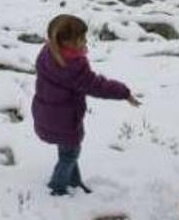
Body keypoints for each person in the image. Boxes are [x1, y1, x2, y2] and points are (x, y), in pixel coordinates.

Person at [32, 14, 141, 196]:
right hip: (65, 119)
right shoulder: (73, 66)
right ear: (67, 42)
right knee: (69, 154)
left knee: (67, 151)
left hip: (47, 112)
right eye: (81, 38)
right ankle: (57, 187)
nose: (85, 41)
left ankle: (74, 181)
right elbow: (97, 85)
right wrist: (123, 92)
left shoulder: (48, 52)